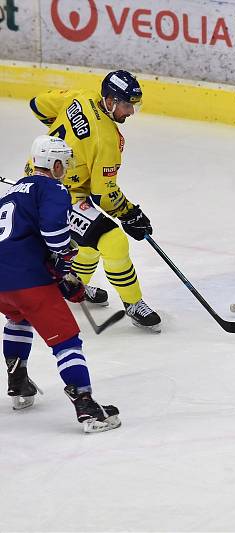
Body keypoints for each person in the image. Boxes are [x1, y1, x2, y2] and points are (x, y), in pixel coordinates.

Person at [0, 135, 121, 433]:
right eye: (64, 164)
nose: (65, 169)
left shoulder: (11, 193)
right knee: (66, 341)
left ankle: (18, 381)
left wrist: (57, 270)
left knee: (18, 317)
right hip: (27, 279)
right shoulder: (52, 188)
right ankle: (86, 406)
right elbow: (54, 235)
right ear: (54, 164)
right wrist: (65, 261)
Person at [29, 70, 161, 332]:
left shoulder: (81, 96)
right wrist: (130, 214)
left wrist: (63, 144)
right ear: (110, 101)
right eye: (126, 105)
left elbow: (38, 105)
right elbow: (104, 193)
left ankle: (73, 283)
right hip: (57, 196)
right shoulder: (107, 139)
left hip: (38, 178)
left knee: (88, 239)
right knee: (113, 239)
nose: (131, 112)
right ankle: (133, 303)